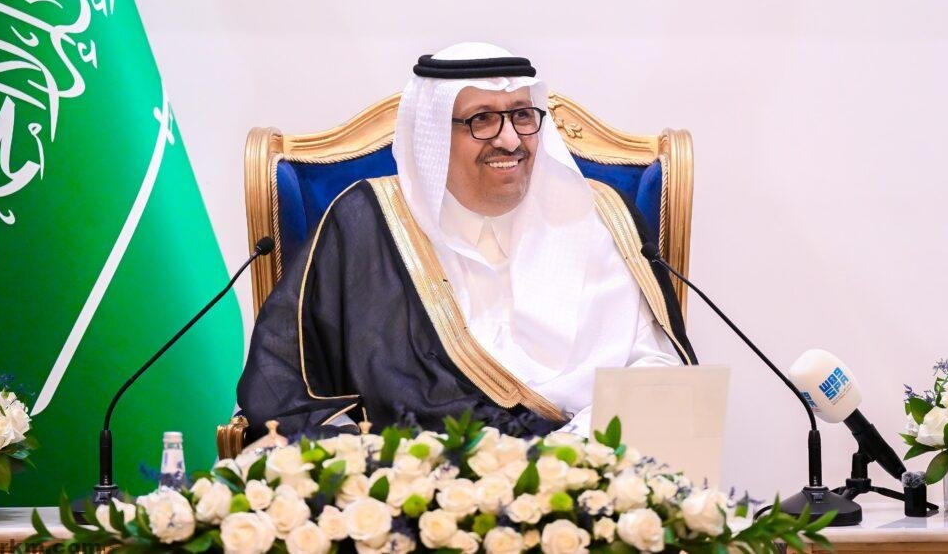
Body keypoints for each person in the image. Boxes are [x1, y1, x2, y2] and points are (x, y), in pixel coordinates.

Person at [237, 43, 695, 440]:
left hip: (587, 472)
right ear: (433, 133)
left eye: (522, 115)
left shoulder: (600, 217)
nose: (510, 140)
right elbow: (286, 382)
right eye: (482, 120)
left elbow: (656, 367)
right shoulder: (364, 225)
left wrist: (574, 447)